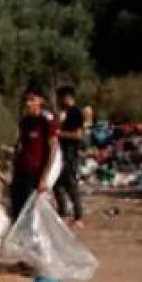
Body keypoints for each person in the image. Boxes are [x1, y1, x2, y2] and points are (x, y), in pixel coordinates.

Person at [11, 86, 58, 217]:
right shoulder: (25, 121)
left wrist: (44, 177)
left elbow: (52, 150)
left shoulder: (46, 122)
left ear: (41, 101)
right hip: (21, 171)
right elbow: (20, 144)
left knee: (31, 211)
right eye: (26, 100)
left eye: (32, 100)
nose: (28, 103)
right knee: (17, 209)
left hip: (35, 173)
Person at [55, 85, 86, 227]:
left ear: (67, 97)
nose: (58, 101)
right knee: (58, 185)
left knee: (71, 184)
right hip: (61, 153)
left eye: (60, 98)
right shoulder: (63, 113)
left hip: (70, 153)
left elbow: (78, 135)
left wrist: (59, 134)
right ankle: (63, 213)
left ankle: (78, 215)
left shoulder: (75, 113)